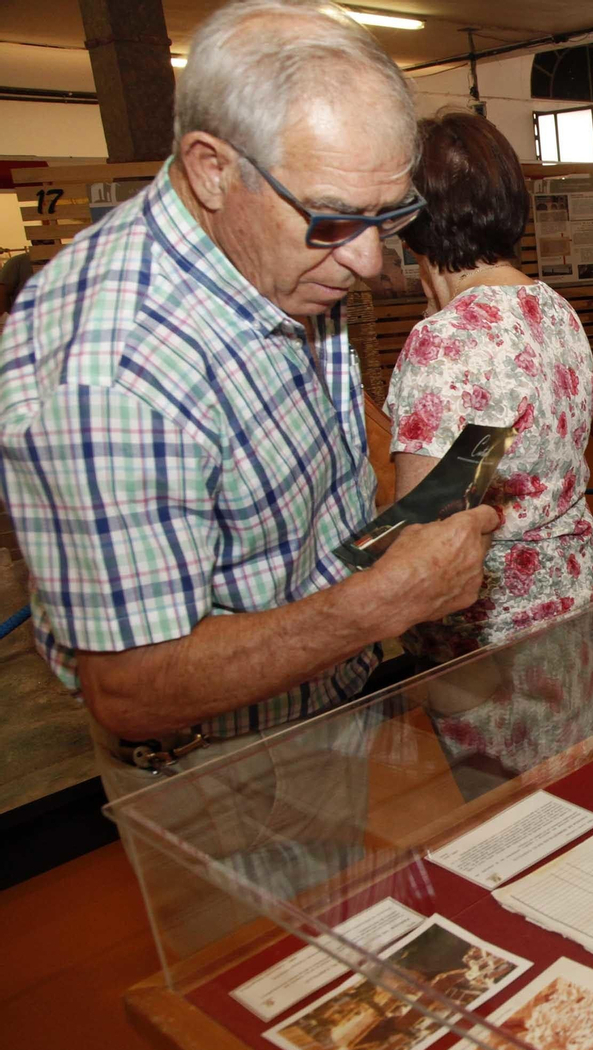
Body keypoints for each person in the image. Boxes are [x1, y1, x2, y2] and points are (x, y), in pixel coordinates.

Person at [0, 0, 497, 798]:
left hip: (325, 709)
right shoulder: (113, 376)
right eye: (337, 218)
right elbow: (132, 688)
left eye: (389, 215)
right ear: (210, 168)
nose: (369, 259)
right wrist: (384, 602)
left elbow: (323, 419)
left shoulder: (283, 248)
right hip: (223, 770)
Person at [385, 110, 593, 673]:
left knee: (505, 766)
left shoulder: (443, 339)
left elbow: (426, 523)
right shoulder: (555, 309)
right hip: (580, 585)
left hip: (494, 628)